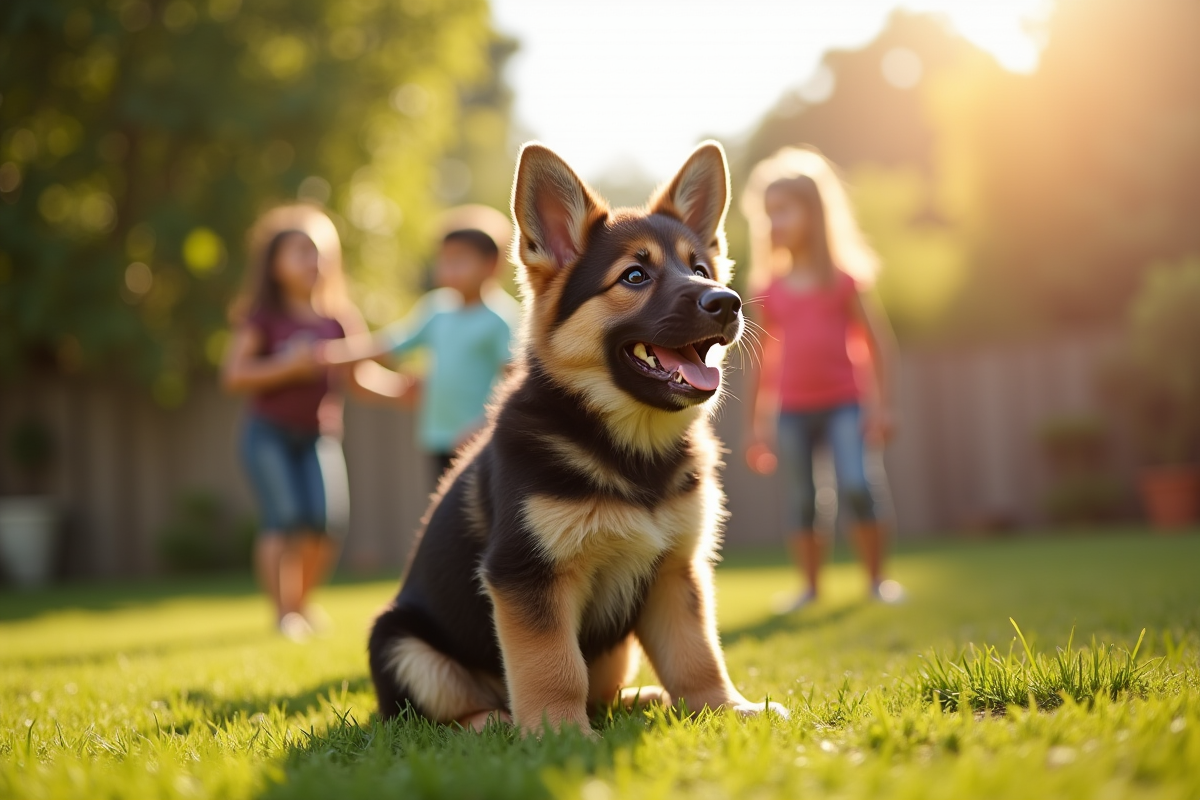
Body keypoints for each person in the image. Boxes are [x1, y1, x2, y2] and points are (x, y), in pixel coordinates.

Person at [222, 204, 408, 640]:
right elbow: (234, 376)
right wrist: (288, 366)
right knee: (284, 519)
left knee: (326, 524)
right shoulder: (262, 318)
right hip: (267, 434)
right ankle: (284, 613)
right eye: (301, 251)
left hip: (318, 437)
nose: (315, 261)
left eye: (321, 252)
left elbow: (360, 380)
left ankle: (300, 605)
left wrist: (404, 390)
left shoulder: (338, 319)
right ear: (274, 264)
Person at [741, 146, 903, 610]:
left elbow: (879, 345)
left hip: (845, 404)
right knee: (802, 500)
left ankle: (877, 582)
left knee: (857, 484)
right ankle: (810, 588)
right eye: (769, 213)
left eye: (785, 210)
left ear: (814, 213)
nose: (776, 221)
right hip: (791, 411)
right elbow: (761, 361)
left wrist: (883, 405)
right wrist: (755, 425)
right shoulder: (769, 290)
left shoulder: (844, 281)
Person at [318, 205, 518, 483]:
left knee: (478, 518)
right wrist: (328, 354)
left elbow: (515, 381)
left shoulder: (500, 320)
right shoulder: (436, 309)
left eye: (460, 260)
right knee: (443, 514)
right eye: (445, 260)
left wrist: (482, 426)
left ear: (491, 264)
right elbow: (390, 345)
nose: (449, 269)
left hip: (478, 441)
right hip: (437, 436)